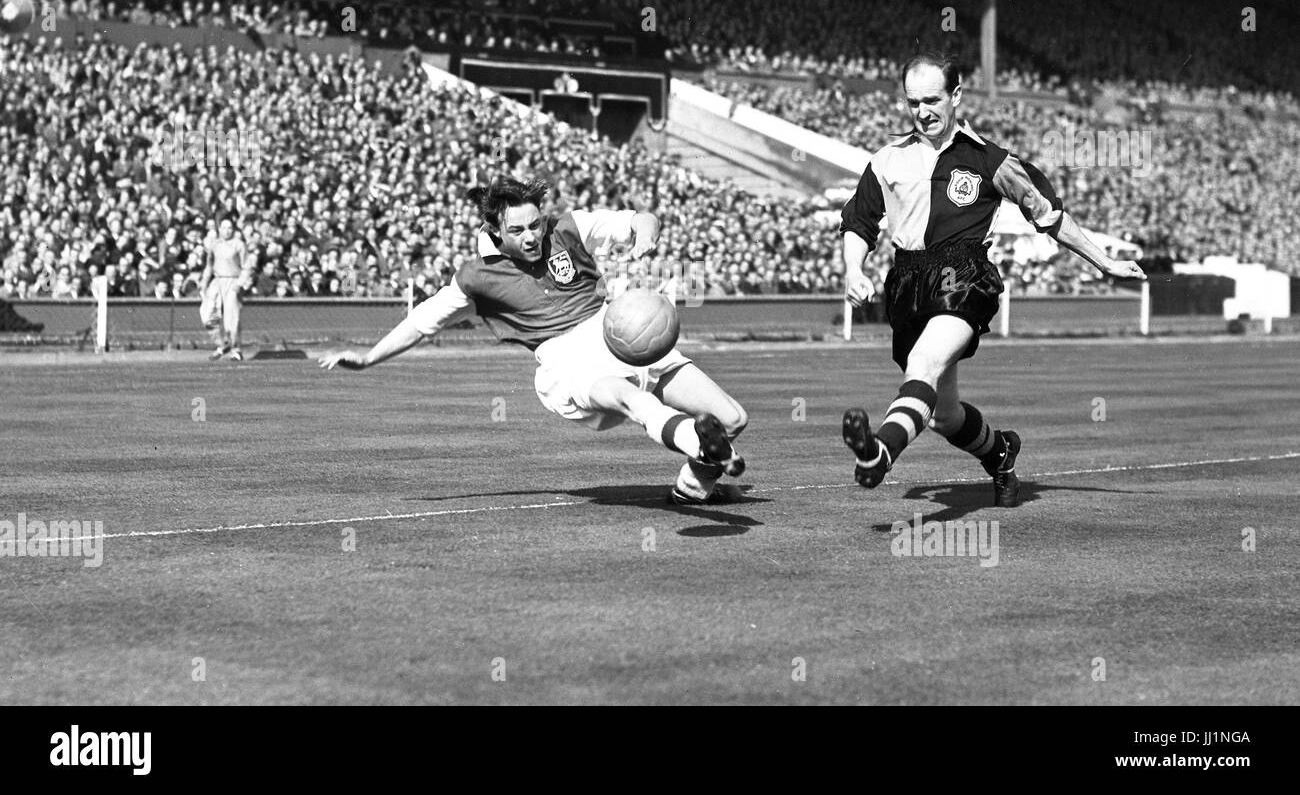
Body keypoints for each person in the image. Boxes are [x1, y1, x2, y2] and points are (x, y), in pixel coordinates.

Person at [319, 176, 748, 505]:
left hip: (617, 329)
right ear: (495, 230)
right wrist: (369, 357)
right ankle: (695, 439)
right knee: (628, 399)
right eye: (519, 230)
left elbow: (639, 218)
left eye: (535, 225)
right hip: (568, 360)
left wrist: (647, 234)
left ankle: (692, 489)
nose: (531, 237)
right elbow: (421, 322)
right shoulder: (476, 278)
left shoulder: (568, 228)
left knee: (732, 419)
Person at [840, 52, 1145, 506]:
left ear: (956, 96)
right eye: (912, 102)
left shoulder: (992, 161)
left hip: (963, 276)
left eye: (932, 100)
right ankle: (1001, 452)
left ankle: (879, 452)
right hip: (906, 283)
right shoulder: (886, 160)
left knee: (923, 362)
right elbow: (859, 222)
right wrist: (853, 269)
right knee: (943, 415)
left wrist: (1103, 261)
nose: (922, 111)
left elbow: (1048, 215)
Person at [199, 215, 255, 360]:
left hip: (233, 281)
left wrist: (239, 283)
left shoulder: (239, 245)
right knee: (208, 314)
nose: (227, 231)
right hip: (217, 281)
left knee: (231, 319)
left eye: (230, 228)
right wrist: (204, 282)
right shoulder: (214, 245)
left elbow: (247, 267)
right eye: (224, 228)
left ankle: (236, 349)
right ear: (219, 229)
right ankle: (223, 344)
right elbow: (209, 265)